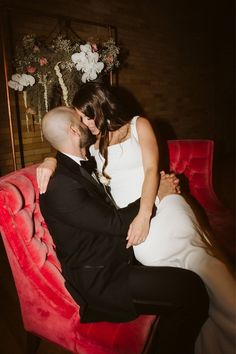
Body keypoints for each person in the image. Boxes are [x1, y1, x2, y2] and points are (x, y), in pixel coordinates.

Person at [37, 84, 236, 354]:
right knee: (178, 274)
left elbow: (152, 169)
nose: (85, 123)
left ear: (100, 107)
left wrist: (150, 206)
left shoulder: (135, 126)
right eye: (80, 119)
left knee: (197, 257)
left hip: (158, 205)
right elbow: (70, 162)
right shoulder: (91, 149)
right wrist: (49, 160)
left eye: (86, 115)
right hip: (126, 233)